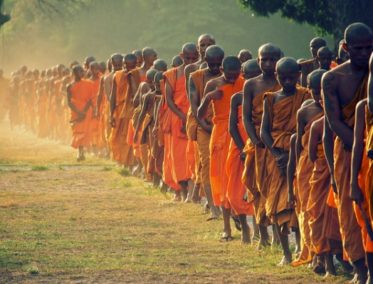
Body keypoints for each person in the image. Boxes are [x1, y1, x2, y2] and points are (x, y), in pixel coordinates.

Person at [322, 22, 373, 283]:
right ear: (345, 48)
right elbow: (334, 122)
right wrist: (360, 147)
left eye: (368, 48)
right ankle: (360, 269)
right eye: (358, 48)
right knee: (350, 209)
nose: (364, 53)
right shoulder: (332, 78)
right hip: (349, 150)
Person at [261, 57, 310, 265]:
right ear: (277, 76)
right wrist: (277, 154)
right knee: (277, 207)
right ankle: (286, 253)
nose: (287, 82)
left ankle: (301, 248)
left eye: (292, 78)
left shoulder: (306, 96)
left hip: (299, 154)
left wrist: (295, 152)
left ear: (298, 76)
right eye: (283, 78)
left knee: (298, 202)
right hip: (277, 157)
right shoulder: (270, 98)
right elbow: (264, 131)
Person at [197, 56, 244, 241]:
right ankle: (227, 229)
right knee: (222, 181)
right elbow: (199, 114)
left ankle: (239, 214)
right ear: (222, 70)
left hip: (239, 132)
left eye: (236, 76)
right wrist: (209, 97)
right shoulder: (213, 84)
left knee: (238, 179)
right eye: (229, 76)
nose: (233, 80)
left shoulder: (244, 82)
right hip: (219, 136)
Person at [242, 43, 282, 248]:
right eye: (263, 59)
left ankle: (277, 234)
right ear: (257, 61)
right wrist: (255, 140)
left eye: (272, 59)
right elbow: (246, 117)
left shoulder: (288, 81)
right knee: (258, 187)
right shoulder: (251, 84)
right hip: (258, 144)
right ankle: (263, 234)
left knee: (276, 188)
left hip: (280, 142)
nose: (268, 63)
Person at [226, 59, 261, 243]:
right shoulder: (237, 98)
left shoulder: (266, 95)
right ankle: (244, 227)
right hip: (239, 147)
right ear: (243, 76)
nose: (253, 80)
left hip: (259, 148)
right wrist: (242, 149)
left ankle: (257, 230)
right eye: (249, 76)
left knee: (255, 189)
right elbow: (232, 127)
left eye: (257, 76)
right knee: (234, 193)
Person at [188, 45, 224, 217]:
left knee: (224, 164)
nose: (216, 68)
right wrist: (206, 126)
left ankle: (223, 201)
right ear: (206, 61)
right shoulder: (195, 77)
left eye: (219, 64)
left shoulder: (229, 76)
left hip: (224, 126)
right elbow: (194, 106)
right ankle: (213, 207)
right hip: (203, 125)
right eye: (212, 64)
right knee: (207, 162)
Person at [164, 43, 198, 201]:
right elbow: (169, 100)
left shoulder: (200, 73)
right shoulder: (172, 74)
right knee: (178, 158)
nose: (190, 61)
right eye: (187, 57)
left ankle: (192, 193)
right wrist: (183, 117)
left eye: (193, 58)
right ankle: (183, 191)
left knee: (192, 156)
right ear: (181, 56)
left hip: (196, 118)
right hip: (177, 119)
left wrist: (193, 116)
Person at [67, 65, 94, 161]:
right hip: (75, 111)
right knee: (77, 132)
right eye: (79, 72)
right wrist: (78, 112)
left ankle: (82, 152)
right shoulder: (69, 86)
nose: (82, 73)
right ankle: (79, 152)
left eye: (82, 71)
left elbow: (91, 99)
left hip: (86, 111)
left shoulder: (89, 84)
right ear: (74, 73)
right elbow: (69, 102)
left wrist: (84, 111)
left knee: (85, 132)